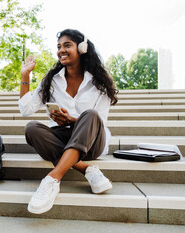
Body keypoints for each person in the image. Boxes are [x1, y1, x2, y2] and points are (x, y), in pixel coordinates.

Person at [18, 29, 118, 214]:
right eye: (58, 46)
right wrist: (25, 76)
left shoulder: (99, 82)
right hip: (61, 138)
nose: (61, 50)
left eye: (67, 45)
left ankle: (53, 179)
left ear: (81, 48)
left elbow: (100, 122)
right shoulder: (51, 80)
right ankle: (86, 169)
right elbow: (26, 110)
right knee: (32, 128)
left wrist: (72, 120)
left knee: (91, 114)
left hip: (92, 141)